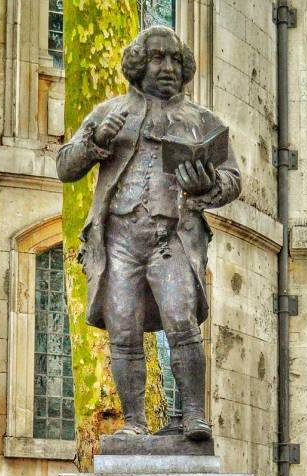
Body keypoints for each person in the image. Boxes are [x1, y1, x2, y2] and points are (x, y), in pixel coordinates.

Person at [57, 26, 241, 440]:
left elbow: (233, 179)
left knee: (182, 322)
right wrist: (93, 142)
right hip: (119, 240)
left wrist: (208, 184)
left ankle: (194, 416)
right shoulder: (109, 113)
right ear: (139, 64)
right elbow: (65, 167)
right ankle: (134, 423)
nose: (168, 67)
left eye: (175, 59)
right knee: (123, 332)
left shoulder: (202, 121)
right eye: (158, 58)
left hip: (171, 238)